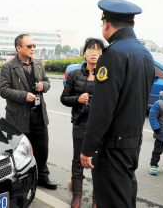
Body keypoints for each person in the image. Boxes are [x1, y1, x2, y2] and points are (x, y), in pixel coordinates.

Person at [80, 0, 154, 208]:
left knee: (112, 201)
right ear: (133, 25)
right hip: (131, 142)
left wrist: (88, 148)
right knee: (124, 196)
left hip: (112, 147)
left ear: (106, 24)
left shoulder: (113, 55)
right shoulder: (144, 54)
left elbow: (103, 109)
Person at [0, 34, 57, 190]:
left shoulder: (38, 64)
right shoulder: (8, 67)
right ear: (19, 48)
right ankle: (23, 182)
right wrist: (24, 96)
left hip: (39, 115)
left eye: (34, 46)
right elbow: (3, 90)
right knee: (21, 152)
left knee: (42, 149)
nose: (33, 49)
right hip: (19, 117)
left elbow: (47, 81)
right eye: (29, 46)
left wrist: (42, 86)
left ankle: (42, 177)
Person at [60, 38, 105, 208]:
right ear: (85, 53)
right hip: (80, 122)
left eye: (99, 50)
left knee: (98, 162)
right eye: (91, 49)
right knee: (78, 160)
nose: (95, 53)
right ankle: (77, 195)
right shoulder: (75, 74)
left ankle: (96, 198)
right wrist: (77, 99)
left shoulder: (106, 75)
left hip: (100, 126)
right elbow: (64, 98)